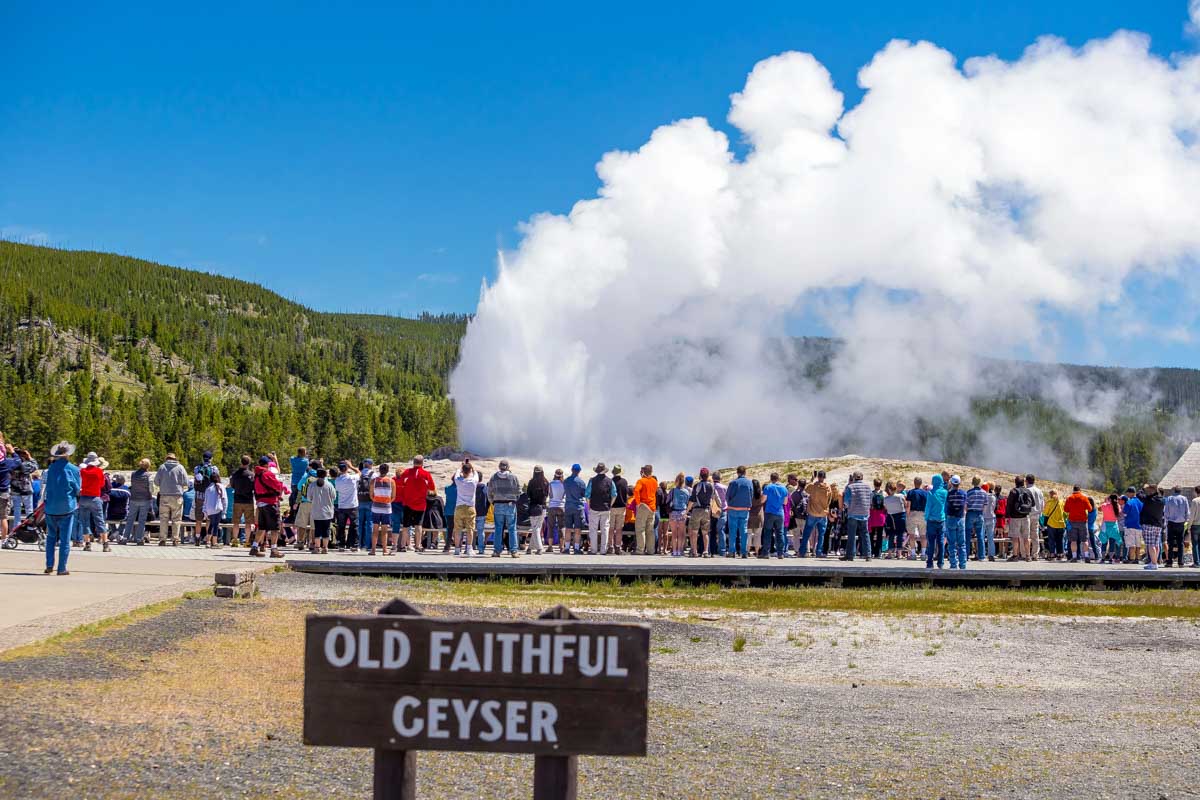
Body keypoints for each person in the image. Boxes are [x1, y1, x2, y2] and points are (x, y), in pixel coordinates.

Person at [43, 441, 80, 575]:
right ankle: (62, 567)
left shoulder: (51, 468)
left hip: (50, 507)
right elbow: (77, 489)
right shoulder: (74, 470)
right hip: (67, 507)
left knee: (51, 537)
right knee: (65, 539)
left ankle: (49, 564)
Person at [252, 455, 286, 558]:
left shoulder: (256, 475)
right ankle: (274, 549)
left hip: (261, 503)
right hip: (270, 503)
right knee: (275, 528)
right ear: (267, 464)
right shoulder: (267, 474)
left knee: (262, 527)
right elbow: (277, 485)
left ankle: (254, 547)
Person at [75, 452, 109, 552]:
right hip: (95, 497)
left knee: (85, 522)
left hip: (84, 497)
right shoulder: (99, 471)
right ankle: (105, 544)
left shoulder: (82, 471)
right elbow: (102, 484)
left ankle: (87, 544)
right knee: (99, 520)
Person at [154, 453, 190, 546]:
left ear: (167, 458)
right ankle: (175, 539)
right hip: (177, 496)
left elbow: (156, 482)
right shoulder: (180, 467)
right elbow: (186, 482)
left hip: (164, 495)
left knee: (163, 518)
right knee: (176, 519)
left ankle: (162, 539)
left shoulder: (162, 467)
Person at [487, 459, 521, 558]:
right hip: (510, 505)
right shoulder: (513, 477)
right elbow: (519, 491)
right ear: (508, 467)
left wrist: (493, 502)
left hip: (498, 505)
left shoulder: (494, 477)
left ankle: (497, 551)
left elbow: (489, 492)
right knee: (512, 528)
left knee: (498, 528)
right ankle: (513, 551)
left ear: (499, 466)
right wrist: (515, 500)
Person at [585, 463, 616, 556]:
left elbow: (587, 495)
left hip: (594, 508)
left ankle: (594, 550)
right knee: (605, 529)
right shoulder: (610, 481)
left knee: (593, 529)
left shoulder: (592, 480)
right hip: (606, 508)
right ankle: (603, 550)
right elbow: (614, 495)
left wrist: (589, 505)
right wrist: (610, 505)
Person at [452, 460, 481, 556]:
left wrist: (461, 466)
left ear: (463, 471)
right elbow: (475, 473)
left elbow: (456, 473)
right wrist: (472, 467)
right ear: (470, 471)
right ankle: (469, 548)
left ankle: (457, 549)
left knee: (458, 529)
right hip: (470, 507)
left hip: (459, 507)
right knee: (470, 529)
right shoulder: (473, 481)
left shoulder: (458, 481)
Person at [687, 468, 716, 558]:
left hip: (696, 510)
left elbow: (692, 499)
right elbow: (713, 498)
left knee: (694, 532)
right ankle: (706, 551)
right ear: (708, 476)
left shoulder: (697, 486)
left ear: (700, 476)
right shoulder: (711, 486)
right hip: (706, 510)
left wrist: (687, 510)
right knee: (705, 532)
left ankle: (694, 551)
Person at [724, 466, 753, 559]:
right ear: (745, 472)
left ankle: (732, 552)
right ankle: (744, 552)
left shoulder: (733, 483)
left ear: (737, 473)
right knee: (743, 531)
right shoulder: (749, 482)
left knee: (732, 531)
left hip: (733, 509)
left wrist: (731, 503)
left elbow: (727, 496)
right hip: (744, 509)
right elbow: (751, 494)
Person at [761, 472, 790, 560]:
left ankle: (766, 553)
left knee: (768, 532)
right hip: (780, 513)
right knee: (780, 533)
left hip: (769, 512)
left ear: (771, 478)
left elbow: (763, 499)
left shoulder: (768, 487)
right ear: (778, 478)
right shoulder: (784, 488)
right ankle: (780, 553)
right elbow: (785, 502)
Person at [228, 455, 256, 546]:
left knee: (236, 522)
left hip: (237, 500)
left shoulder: (235, 474)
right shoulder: (251, 475)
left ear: (241, 462)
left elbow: (232, 485)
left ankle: (235, 540)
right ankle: (247, 541)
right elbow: (254, 487)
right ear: (249, 463)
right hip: (248, 500)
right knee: (248, 523)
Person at [803, 471, 832, 558]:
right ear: (824, 477)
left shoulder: (813, 486)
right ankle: (818, 552)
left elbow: (806, 489)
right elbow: (829, 500)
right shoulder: (828, 488)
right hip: (823, 513)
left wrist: (812, 479)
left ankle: (802, 551)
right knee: (821, 535)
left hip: (812, 512)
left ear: (818, 477)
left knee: (806, 533)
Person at [1005, 476, 1035, 562]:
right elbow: (1032, 504)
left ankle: (1015, 556)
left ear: (1015, 482)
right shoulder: (1028, 491)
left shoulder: (1013, 491)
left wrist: (1007, 516)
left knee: (1015, 537)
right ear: (1023, 482)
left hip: (1015, 518)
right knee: (1026, 537)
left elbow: (1009, 505)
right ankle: (1028, 556)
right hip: (1026, 517)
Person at [308, 468, 336, 554]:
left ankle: (317, 547)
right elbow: (334, 497)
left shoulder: (312, 485)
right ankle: (325, 548)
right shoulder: (329, 485)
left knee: (317, 530)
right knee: (326, 530)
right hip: (327, 511)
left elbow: (309, 498)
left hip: (316, 511)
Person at [334, 461, 361, 552]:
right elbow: (359, 473)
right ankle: (354, 544)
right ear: (347, 469)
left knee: (341, 526)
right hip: (352, 505)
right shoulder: (352, 478)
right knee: (354, 525)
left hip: (342, 505)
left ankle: (341, 544)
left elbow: (337, 490)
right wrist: (352, 466)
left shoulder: (337, 480)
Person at [127, 458, 155, 545]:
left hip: (134, 498)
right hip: (145, 499)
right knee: (141, 520)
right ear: (148, 466)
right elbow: (151, 489)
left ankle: (125, 537)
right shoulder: (148, 476)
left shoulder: (133, 474)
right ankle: (139, 539)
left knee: (130, 519)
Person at [369, 463, 396, 555]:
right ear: (387, 471)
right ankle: (384, 550)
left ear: (379, 470)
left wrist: (377, 500)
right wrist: (387, 501)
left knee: (375, 529)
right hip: (386, 508)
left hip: (376, 507)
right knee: (385, 530)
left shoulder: (374, 481)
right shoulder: (391, 481)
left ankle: (373, 550)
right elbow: (393, 496)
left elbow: (371, 495)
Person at [633, 465, 658, 556]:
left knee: (640, 529)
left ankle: (640, 550)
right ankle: (651, 550)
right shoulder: (654, 481)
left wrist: (638, 503)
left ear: (643, 471)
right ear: (651, 471)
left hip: (643, 506)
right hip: (652, 507)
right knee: (650, 530)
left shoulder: (641, 481)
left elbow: (636, 491)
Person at [562, 464, 587, 555]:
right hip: (578, 507)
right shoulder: (581, 483)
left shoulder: (566, 481)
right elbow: (584, 494)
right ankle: (576, 549)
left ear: (571, 470)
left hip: (568, 506)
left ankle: (567, 548)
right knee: (577, 529)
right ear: (579, 471)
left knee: (568, 528)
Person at [944, 476, 968, 569]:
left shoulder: (948, 494)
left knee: (952, 543)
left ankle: (953, 564)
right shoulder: (963, 493)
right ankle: (963, 564)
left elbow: (946, 507)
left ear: (952, 483)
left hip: (951, 519)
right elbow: (965, 506)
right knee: (961, 543)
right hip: (961, 519)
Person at [1063, 486, 1093, 563]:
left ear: (1073, 490)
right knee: (1085, 540)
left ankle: (1074, 557)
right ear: (1080, 490)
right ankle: (1086, 556)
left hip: (1072, 521)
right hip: (1082, 521)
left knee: (1073, 540)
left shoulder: (1069, 498)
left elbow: (1065, 509)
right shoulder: (1084, 498)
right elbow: (1090, 509)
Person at [1163, 486, 1190, 568]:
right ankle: (1180, 562)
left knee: (1170, 543)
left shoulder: (1169, 498)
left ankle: (1169, 562)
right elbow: (1187, 511)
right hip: (1181, 523)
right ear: (1180, 491)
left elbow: (1166, 511)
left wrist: (1167, 519)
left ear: (1174, 490)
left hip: (1171, 523)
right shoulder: (1184, 498)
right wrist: (1186, 520)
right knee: (1180, 543)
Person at [1139, 485, 1165, 570]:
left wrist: (1143, 488)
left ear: (1152, 490)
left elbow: (1139, 495)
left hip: (1148, 524)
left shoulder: (1149, 499)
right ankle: (1154, 562)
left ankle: (1154, 564)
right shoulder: (1162, 500)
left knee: (1150, 545)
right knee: (1156, 544)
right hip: (1158, 524)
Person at [11, 449, 37, 531]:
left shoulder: (12, 464)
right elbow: (36, 466)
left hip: (15, 490)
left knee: (17, 511)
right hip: (26, 489)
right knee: (29, 510)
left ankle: (16, 528)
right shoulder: (26, 464)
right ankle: (30, 527)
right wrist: (29, 457)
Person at [925, 474, 948, 569]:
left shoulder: (930, 493)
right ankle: (941, 562)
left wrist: (926, 518)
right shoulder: (945, 492)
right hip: (941, 520)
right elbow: (946, 506)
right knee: (941, 542)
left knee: (931, 542)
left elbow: (928, 507)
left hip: (931, 520)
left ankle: (930, 562)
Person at [525, 465, 549, 555]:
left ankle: (539, 548)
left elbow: (528, 495)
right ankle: (530, 548)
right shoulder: (546, 482)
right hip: (542, 508)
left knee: (535, 528)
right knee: (537, 528)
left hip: (534, 508)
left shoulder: (531, 482)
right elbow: (546, 495)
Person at [0, 443, 21, 542]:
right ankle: (4, 540)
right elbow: (18, 462)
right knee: (3, 517)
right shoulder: (7, 463)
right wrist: (12, 451)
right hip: (3, 492)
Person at [965, 477, 988, 561]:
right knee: (980, 536)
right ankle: (981, 556)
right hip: (979, 513)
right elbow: (985, 506)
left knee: (967, 535)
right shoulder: (984, 493)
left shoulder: (969, 492)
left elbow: (966, 505)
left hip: (971, 513)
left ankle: (966, 555)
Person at [608, 465, 630, 555]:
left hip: (612, 507)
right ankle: (618, 547)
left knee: (611, 528)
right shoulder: (624, 481)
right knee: (619, 529)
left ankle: (610, 547)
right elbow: (626, 495)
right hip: (622, 507)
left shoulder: (610, 481)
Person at [666, 473, 690, 556]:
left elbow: (667, 501)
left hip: (673, 513)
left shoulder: (672, 490)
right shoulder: (686, 491)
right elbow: (687, 502)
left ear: (676, 481)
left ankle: (674, 551)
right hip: (682, 512)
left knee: (674, 534)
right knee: (680, 534)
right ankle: (679, 551)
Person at [882, 482, 907, 559]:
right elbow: (905, 505)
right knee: (900, 535)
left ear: (888, 489)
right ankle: (899, 554)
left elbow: (885, 508)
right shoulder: (901, 496)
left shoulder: (885, 499)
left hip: (891, 517)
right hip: (901, 516)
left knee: (891, 535)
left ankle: (889, 554)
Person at [201, 471, 227, 548]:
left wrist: (205, 512)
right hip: (218, 508)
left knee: (211, 525)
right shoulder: (221, 486)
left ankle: (208, 541)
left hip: (209, 510)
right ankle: (214, 542)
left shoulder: (208, 488)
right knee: (215, 525)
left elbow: (205, 501)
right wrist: (224, 511)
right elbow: (224, 499)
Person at [907, 476, 928, 558]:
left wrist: (907, 515)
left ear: (914, 482)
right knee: (923, 535)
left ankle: (913, 554)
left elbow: (908, 505)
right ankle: (923, 554)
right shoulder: (925, 493)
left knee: (912, 535)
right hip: (922, 513)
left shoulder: (910, 492)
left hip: (913, 513)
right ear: (921, 483)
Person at [1122, 486, 1144, 565]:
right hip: (1139, 526)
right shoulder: (1140, 503)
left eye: (1128, 492)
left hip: (1130, 525)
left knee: (1131, 544)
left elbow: (1124, 513)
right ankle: (1137, 558)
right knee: (1138, 544)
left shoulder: (1129, 502)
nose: (1127, 494)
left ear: (1130, 493)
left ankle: (1131, 559)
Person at [107, 475, 131, 543]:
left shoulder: (110, 490)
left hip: (110, 515)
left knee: (109, 516)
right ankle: (118, 533)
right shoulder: (127, 490)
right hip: (123, 515)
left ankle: (115, 533)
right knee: (129, 517)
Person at [1026, 474, 1045, 559]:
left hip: (1027, 515)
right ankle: (1035, 554)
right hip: (1036, 515)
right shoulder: (1039, 491)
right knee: (1035, 535)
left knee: (1026, 535)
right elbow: (1042, 504)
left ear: (1026, 481)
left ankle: (1026, 554)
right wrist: (1040, 513)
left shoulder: (1026, 490)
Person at [547, 469, 566, 552]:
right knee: (561, 527)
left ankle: (550, 546)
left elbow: (550, 495)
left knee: (551, 526)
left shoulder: (551, 484)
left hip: (552, 506)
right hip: (562, 506)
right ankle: (561, 547)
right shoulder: (564, 484)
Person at [1043, 490, 1066, 560]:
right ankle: (1060, 554)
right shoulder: (1062, 502)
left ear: (1050, 495)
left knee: (1051, 540)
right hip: (1061, 524)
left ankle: (1052, 554)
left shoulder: (1049, 502)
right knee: (1060, 540)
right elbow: (1066, 513)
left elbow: (1045, 513)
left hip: (1051, 524)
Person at [978, 482, 998, 562]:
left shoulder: (983, 496)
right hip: (991, 517)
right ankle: (991, 554)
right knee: (990, 538)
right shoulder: (993, 497)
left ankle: (981, 554)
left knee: (982, 537)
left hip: (983, 517)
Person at [868, 478, 887, 558]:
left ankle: (871, 551)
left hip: (873, 515)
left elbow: (869, 505)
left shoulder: (871, 494)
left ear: (874, 484)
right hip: (881, 516)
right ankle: (878, 553)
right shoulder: (884, 494)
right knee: (879, 535)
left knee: (871, 535)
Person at [748, 479, 764, 556]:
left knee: (748, 534)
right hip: (759, 516)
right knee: (758, 535)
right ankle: (757, 552)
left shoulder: (749, 494)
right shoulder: (761, 494)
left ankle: (747, 551)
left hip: (750, 515)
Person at [1189, 485, 1200, 569]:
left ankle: (1196, 562)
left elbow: (1192, 515)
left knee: (1195, 544)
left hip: (1195, 525)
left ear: (1196, 492)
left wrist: (1189, 526)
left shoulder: (1194, 501)